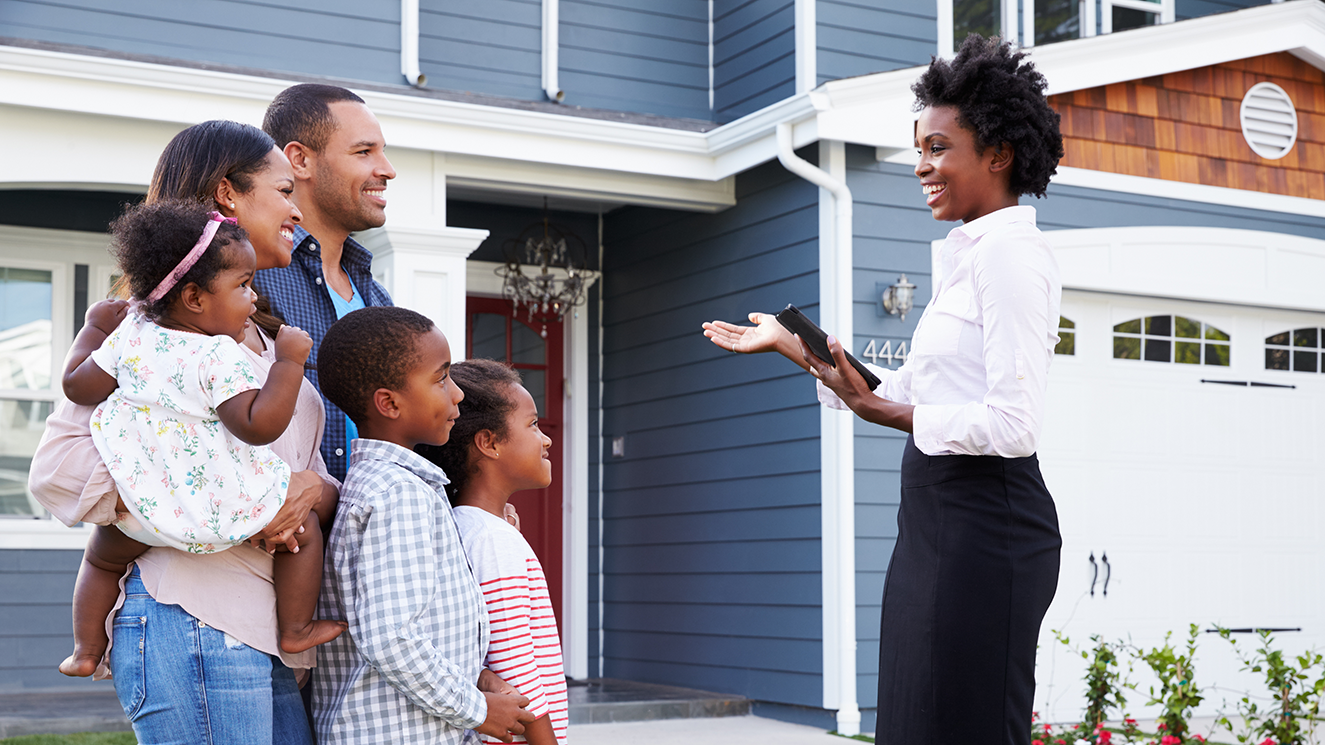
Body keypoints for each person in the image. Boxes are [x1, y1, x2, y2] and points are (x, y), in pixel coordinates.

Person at [702, 35, 1065, 744]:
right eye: (919, 150)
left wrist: (878, 410)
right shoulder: (966, 258)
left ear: (997, 153)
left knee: (962, 726)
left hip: (986, 526)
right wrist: (797, 348)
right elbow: (903, 386)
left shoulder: (1013, 256)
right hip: (932, 523)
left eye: (937, 148)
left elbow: (1013, 422)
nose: (921, 167)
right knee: (912, 719)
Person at [30, 119, 333, 744]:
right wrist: (212, 506)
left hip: (264, 633)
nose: (297, 210)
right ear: (228, 194)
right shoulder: (147, 336)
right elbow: (58, 472)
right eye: (283, 191)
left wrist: (304, 491)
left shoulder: (264, 340)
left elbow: (305, 475)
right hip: (194, 622)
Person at [59, 200, 347, 681]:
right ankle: (295, 628)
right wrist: (289, 364)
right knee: (303, 533)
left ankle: (86, 648)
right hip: (223, 507)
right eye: (243, 286)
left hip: (146, 504)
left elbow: (78, 387)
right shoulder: (218, 352)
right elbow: (257, 425)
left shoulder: (130, 334)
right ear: (194, 298)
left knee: (100, 558)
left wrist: (93, 328)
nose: (252, 299)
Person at [312, 307, 537, 744]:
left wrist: (476, 675)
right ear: (389, 403)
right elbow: (392, 637)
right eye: (442, 378)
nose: (457, 395)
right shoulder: (399, 494)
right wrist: (477, 710)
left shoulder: (399, 486)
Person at [420, 359, 569, 745]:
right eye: (533, 424)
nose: (547, 438)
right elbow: (516, 666)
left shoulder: (465, 526)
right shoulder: (493, 540)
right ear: (489, 443)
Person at [257, 83, 396, 482]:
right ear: (299, 160)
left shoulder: (378, 300)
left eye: (382, 152)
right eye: (364, 151)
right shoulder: (250, 279)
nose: (386, 169)